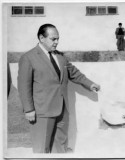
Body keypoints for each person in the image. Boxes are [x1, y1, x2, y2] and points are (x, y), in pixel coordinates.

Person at [18, 24, 101, 153]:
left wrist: (90, 84)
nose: (57, 42)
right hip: (42, 112)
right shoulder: (28, 58)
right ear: (41, 38)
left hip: (62, 111)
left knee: (60, 147)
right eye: (53, 39)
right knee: (42, 149)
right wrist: (29, 109)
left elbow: (74, 73)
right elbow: (24, 86)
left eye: (58, 39)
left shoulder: (60, 56)